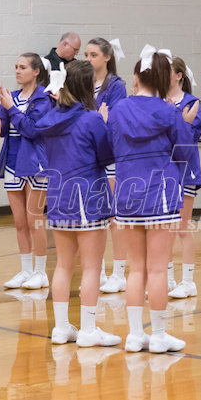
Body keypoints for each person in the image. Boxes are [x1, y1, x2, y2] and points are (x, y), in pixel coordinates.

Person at [108, 45, 198, 353]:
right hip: (160, 193)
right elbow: (185, 153)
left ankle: (135, 335)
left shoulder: (118, 110)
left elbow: (109, 150)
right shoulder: (169, 112)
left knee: (136, 269)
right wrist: (183, 124)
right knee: (158, 269)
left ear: (136, 77)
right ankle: (158, 336)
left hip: (126, 194)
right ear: (163, 79)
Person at [35, 59, 120, 347]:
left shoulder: (50, 119)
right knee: (92, 267)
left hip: (58, 197)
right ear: (87, 87)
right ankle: (88, 330)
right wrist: (105, 124)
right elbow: (107, 157)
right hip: (87, 197)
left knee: (63, 265)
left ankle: (61, 328)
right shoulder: (91, 119)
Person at [0, 53, 54, 290]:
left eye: (23, 67)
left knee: (34, 220)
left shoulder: (44, 98)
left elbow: (32, 130)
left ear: (36, 71)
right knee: (19, 223)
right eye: (16, 66)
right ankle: (26, 270)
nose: (17, 71)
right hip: (12, 162)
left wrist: (11, 109)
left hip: (36, 164)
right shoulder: (13, 97)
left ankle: (41, 272)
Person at [83, 37, 128, 293]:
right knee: (96, 215)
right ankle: (98, 271)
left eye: (93, 55)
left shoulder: (116, 86)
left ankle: (119, 273)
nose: (88, 59)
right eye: (86, 55)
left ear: (107, 57)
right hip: (88, 155)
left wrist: (99, 121)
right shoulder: (82, 83)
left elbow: (116, 121)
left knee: (114, 215)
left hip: (109, 153)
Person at [166, 57, 201, 299]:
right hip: (165, 170)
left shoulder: (192, 102)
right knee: (165, 228)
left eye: (167, 70)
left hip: (186, 170)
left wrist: (174, 116)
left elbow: (188, 138)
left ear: (179, 75)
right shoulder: (159, 100)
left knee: (182, 227)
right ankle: (168, 279)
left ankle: (188, 282)